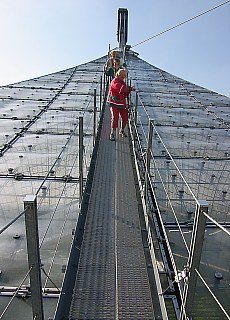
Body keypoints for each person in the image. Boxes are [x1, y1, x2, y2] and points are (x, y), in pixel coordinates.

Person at [107, 68, 135, 141]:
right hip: (113, 102)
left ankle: (122, 130)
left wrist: (129, 89)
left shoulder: (123, 83)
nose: (124, 77)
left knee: (125, 117)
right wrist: (130, 88)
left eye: (124, 76)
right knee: (115, 117)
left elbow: (125, 92)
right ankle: (112, 133)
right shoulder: (114, 81)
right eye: (122, 75)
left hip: (122, 103)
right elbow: (119, 88)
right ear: (118, 75)